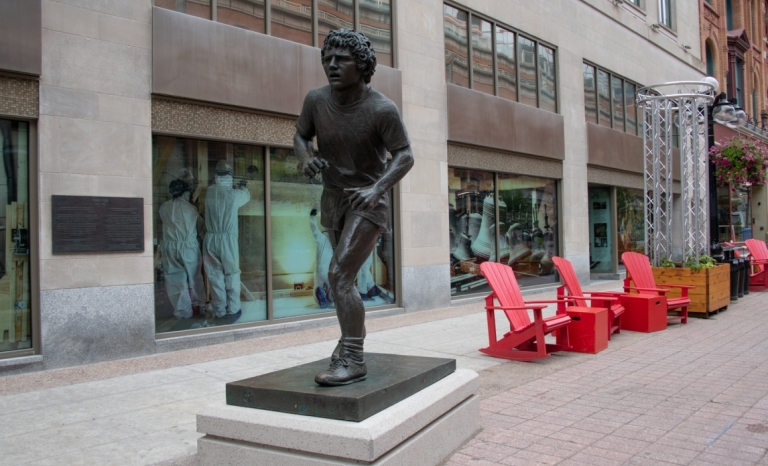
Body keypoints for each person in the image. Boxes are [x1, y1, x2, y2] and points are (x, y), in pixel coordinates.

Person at [294, 29, 414, 385]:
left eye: (341, 59)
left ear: (361, 65)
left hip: (367, 201)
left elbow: (405, 155)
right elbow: (301, 135)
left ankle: (353, 358)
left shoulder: (382, 108)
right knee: (341, 277)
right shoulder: (316, 100)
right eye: (327, 58)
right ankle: (348, 346)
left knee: (339, 275)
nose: (331, 65)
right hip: (332, 199)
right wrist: (305, 158)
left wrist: (377, 188)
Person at [203, 160, 250, 323]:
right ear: (230, 175)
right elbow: (246, 196)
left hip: (210, 238)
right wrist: (243, 187)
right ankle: (234, 309)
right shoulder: (235, 194)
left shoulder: (209, 191)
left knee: (214, 275)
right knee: (231, 274)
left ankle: (220, 311)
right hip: (227, 240)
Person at [159, 179, 205, 320]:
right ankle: (199, 307)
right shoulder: (190, 209)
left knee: (175, 279)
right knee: (194, 277)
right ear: (185, 193)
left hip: (170, 246)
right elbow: (201, 229)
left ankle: (182, 313)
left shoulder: (163, 207)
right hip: (188, 246)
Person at [309, 208, 334, 308]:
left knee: (318, 285)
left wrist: (312, 217)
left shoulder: (321, 238)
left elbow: (314, 229)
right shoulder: (334, 243)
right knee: (331, 286)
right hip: (330, 269)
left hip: (320, 268)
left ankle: (320, 293)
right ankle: (332, 297)